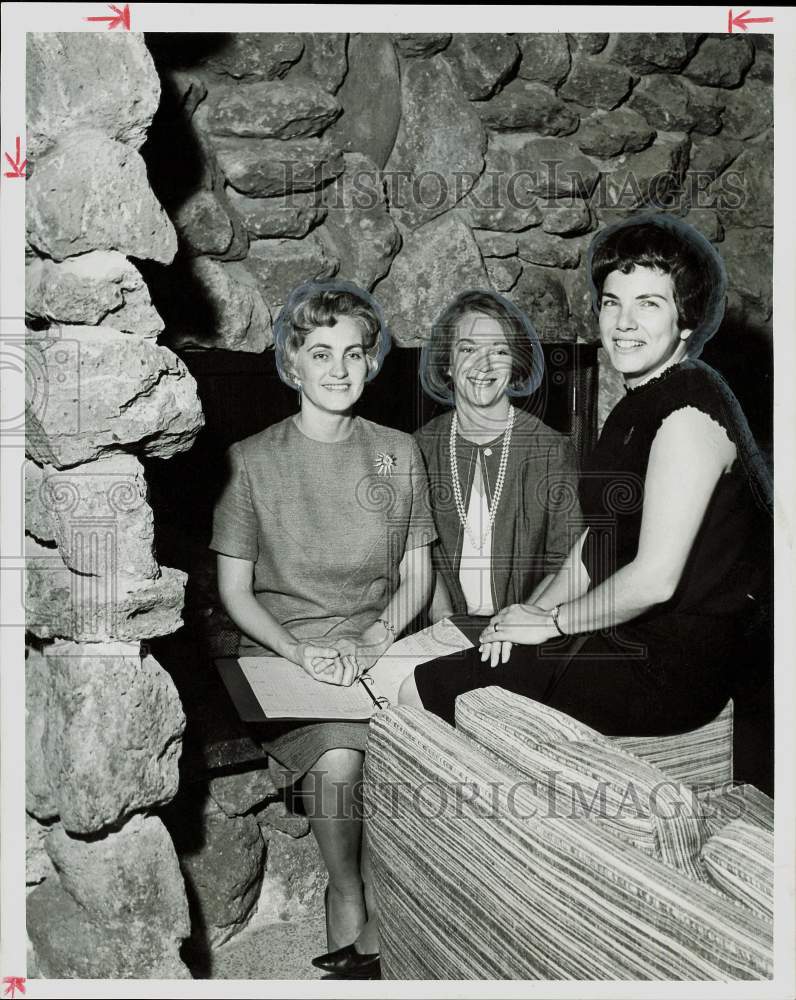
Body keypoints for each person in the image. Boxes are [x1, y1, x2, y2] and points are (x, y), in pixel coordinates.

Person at [399, 214, 774, 747]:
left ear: (686, 320)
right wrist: (528, 613)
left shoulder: (690, 411)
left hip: (672, 667)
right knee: (464, 667)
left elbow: (654, 580)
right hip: (627, 635)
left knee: (423, 692)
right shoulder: (639, 402)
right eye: (612, 302)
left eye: (649, 303)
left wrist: (551, 626)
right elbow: (595, 544)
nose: (623, 322)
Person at [210, 280, 434, 979]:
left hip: (377, 649)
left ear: (372, 363)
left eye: (354, 354)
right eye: (319, 353)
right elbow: (235, 594)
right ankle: (348, 891)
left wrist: (375, 638)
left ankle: (409, 914)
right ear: (291, 364)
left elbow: (417, 574)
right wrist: (300, 650)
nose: (338, 370)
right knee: (341, 759)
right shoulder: (251, 460)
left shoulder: (399, 452)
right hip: (285, 656)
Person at [414, 290, 583, 659]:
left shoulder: (551, 449)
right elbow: (416, 555)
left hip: (529, 635)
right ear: (447, 362)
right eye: (468, 348)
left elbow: (569, 561)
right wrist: (444, 626)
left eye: (500, 350)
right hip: (438, 631)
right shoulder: (420, 447)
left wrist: (518, 625)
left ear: (516, 364)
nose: (484, 363)